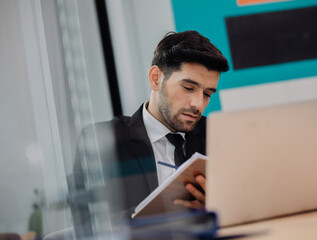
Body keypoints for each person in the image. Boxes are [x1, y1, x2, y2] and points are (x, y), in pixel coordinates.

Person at [71, 30, 229, 235]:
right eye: (189, 88)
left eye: (207, 94)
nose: (198, 104)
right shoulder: (103, 140)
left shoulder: (218, 135)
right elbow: (87, 224)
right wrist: (159, 213)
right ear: (156, 79)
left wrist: (217, 206)